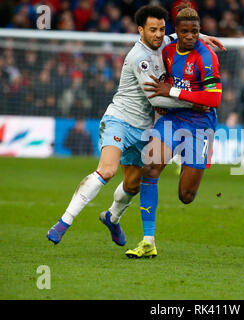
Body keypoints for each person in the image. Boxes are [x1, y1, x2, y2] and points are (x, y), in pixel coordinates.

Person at [47, 5, 225, 246]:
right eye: (152, 30)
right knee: (107, 171)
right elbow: (156, 99)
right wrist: (193, 104)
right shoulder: (139, 57)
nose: (158, 34)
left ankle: (112, 217)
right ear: (141, 30)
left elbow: (179, 35)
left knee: (134, 183)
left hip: (143, 128)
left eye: (161, 29)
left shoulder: (164, 42)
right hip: (120, 120)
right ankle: (63, 223)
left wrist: (202, 37)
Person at [124, 6, 222, 258]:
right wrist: (163, 99)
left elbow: (214, 98)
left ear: (199, 32)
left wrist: (174, 92)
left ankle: (190, 169)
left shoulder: (207, 57)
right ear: (175, 31)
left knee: (186, 196)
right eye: (185, 31)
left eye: (195, 32)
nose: (190, 36)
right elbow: (159, 84)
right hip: (173, 119)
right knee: (150, 167)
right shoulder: (167, 51)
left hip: (201, 125)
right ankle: (148, 240)